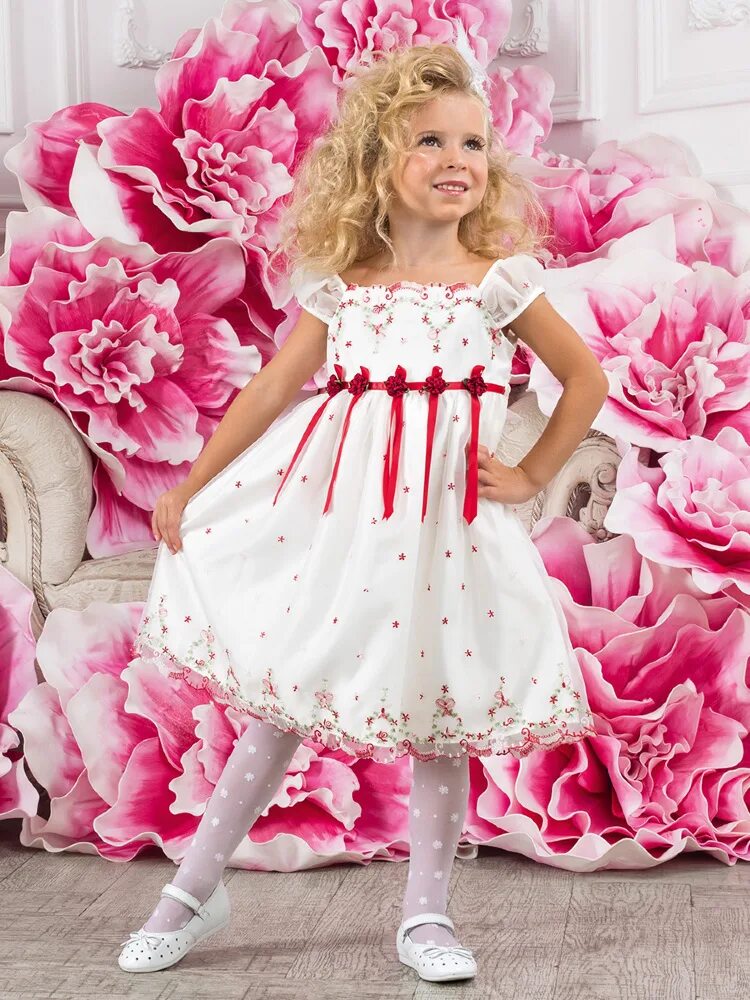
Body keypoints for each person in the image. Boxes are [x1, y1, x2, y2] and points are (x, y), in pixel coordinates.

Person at [117, 40, 607, 984]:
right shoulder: (344, 291)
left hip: (447, 538)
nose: (458, 159)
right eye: (430, 140)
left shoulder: (498, 284)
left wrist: (531, 472)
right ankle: (192, 889)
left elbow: (584, 379)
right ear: (377, 162)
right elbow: (270, 391)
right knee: (284, 701)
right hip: (337, 533)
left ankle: (426, 914)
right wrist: (191, 486)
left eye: (473, 142)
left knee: (440, 713)